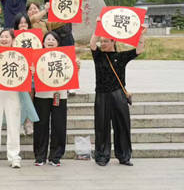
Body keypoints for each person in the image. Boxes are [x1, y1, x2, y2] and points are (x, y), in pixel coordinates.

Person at [89, 19, 147, 166]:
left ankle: (124, 156)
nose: (102, 44)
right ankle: (102, 156)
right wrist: (99, 26)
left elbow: (139, 50)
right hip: (101, 94)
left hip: (118, 94)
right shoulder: (98, 56)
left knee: (122, 125)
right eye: (102, 41)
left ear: (113, 42)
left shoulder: (121, 57)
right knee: (101, 126)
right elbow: (92, 43)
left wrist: (141, 34)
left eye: (105, 41)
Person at [0, 29, 34, 169]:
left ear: (13, 40)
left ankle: (14, 157)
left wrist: (31, 72)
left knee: (14, 125)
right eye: (2, 37)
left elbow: (27, 77)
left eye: (7, 37)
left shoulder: (20, 55)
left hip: (13, 93)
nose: (4, 39)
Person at [33, 31, 79, 167]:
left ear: (58, 43)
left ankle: (55, 156)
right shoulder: (37, 57)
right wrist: (32, 71)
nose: (50, 41)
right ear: (43, 42)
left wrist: (76, 67)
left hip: (59, 95)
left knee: (59, 125)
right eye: (48, 39)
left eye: (53, 39)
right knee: (41, 125)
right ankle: (40, 156)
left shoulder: (64, 57)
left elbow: (71, 75)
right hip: (42, 95)